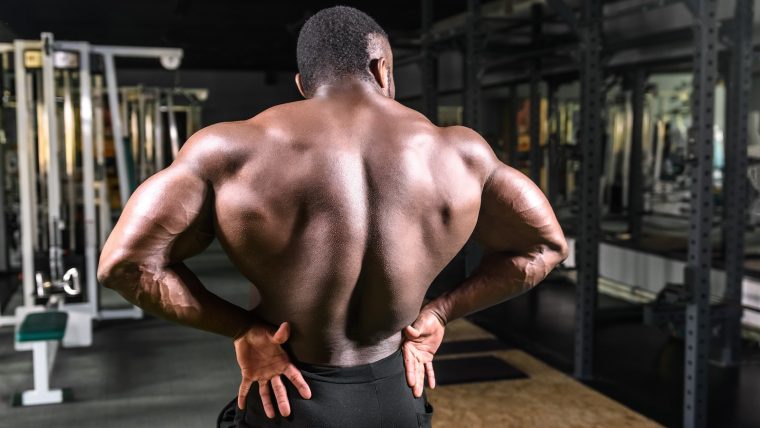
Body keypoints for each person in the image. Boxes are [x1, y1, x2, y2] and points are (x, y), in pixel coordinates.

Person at [97, 6, 568, 428]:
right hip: (398, 393)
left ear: (303, 84)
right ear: (382, 68)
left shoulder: (229, 149)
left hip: (289, 395)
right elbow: (546, 247)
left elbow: (124, 265)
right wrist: (441, 312)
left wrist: (242, 327)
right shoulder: (463, 152)